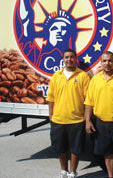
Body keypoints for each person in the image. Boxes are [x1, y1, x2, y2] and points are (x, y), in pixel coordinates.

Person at [46, 49, 90, 178]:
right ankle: (63, 171)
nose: (69, 60)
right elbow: (51, 98)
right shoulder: (56, 76)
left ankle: (73, 172)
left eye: (71, 57)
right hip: (58, 119)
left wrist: (86, 118)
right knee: (61, 149)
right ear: (63, 59)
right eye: (66, 57)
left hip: (76, 120)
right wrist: (51, 116)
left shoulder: (82, 76)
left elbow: (88, 100)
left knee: (76, 149)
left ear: (76, 59)